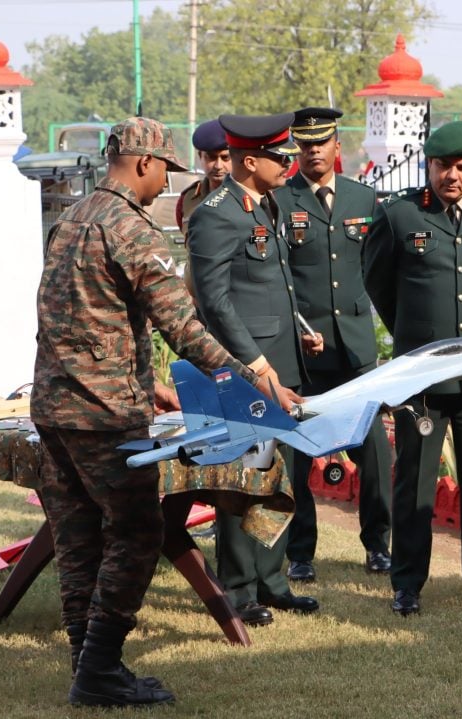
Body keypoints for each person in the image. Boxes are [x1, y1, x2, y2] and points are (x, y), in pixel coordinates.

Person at [31, 117, 299, 707]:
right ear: (144, 163)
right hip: (103, 416)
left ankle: (87, 668)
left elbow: (65, 318)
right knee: (136, 532)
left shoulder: (72, 218)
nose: (166, 186)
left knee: (78, 541)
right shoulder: (131, 228)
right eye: (165, 174)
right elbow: (183, 326)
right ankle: (99, 667)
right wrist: (253, 375)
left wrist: (147, 383)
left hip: (54, 407)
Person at [363, 121, 462, 616]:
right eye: (442, 165)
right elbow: (379, 284)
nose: (452, 175)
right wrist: (415, 337)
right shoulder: (398, 214)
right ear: (428, 164)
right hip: (421, 375)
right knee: (414, 483)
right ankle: (407, 584)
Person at [187, 112, 322, 626]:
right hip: (245, 370)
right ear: (250, 161)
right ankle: (240, 588)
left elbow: (272, 286)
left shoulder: (266, 202)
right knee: (244, 478)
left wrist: (299, 331)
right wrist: (259, 365)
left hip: (279, 361)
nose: (289, 164)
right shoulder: (215, 213)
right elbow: (215, 302)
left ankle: (273, 580)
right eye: (281, 157)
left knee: (277, 475)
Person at [274, 107, 393, 581]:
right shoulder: (280, 200)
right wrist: (297, 328)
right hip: (305, 354)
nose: (313, 151)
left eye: (321, 143)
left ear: (337, 146)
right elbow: (278, 278)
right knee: (299, 456)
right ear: (296, 151)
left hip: (357, 350)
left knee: (376, 455)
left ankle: (377, 545)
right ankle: (301, 553)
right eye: (305, 145)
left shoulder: (365, 199)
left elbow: (381, 271)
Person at [175, 118, 232, 302]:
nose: (218, 166)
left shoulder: (251, 196)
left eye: (225, 157)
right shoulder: (188, 200)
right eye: (210, 157)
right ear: (200, 157)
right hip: (199, 305)